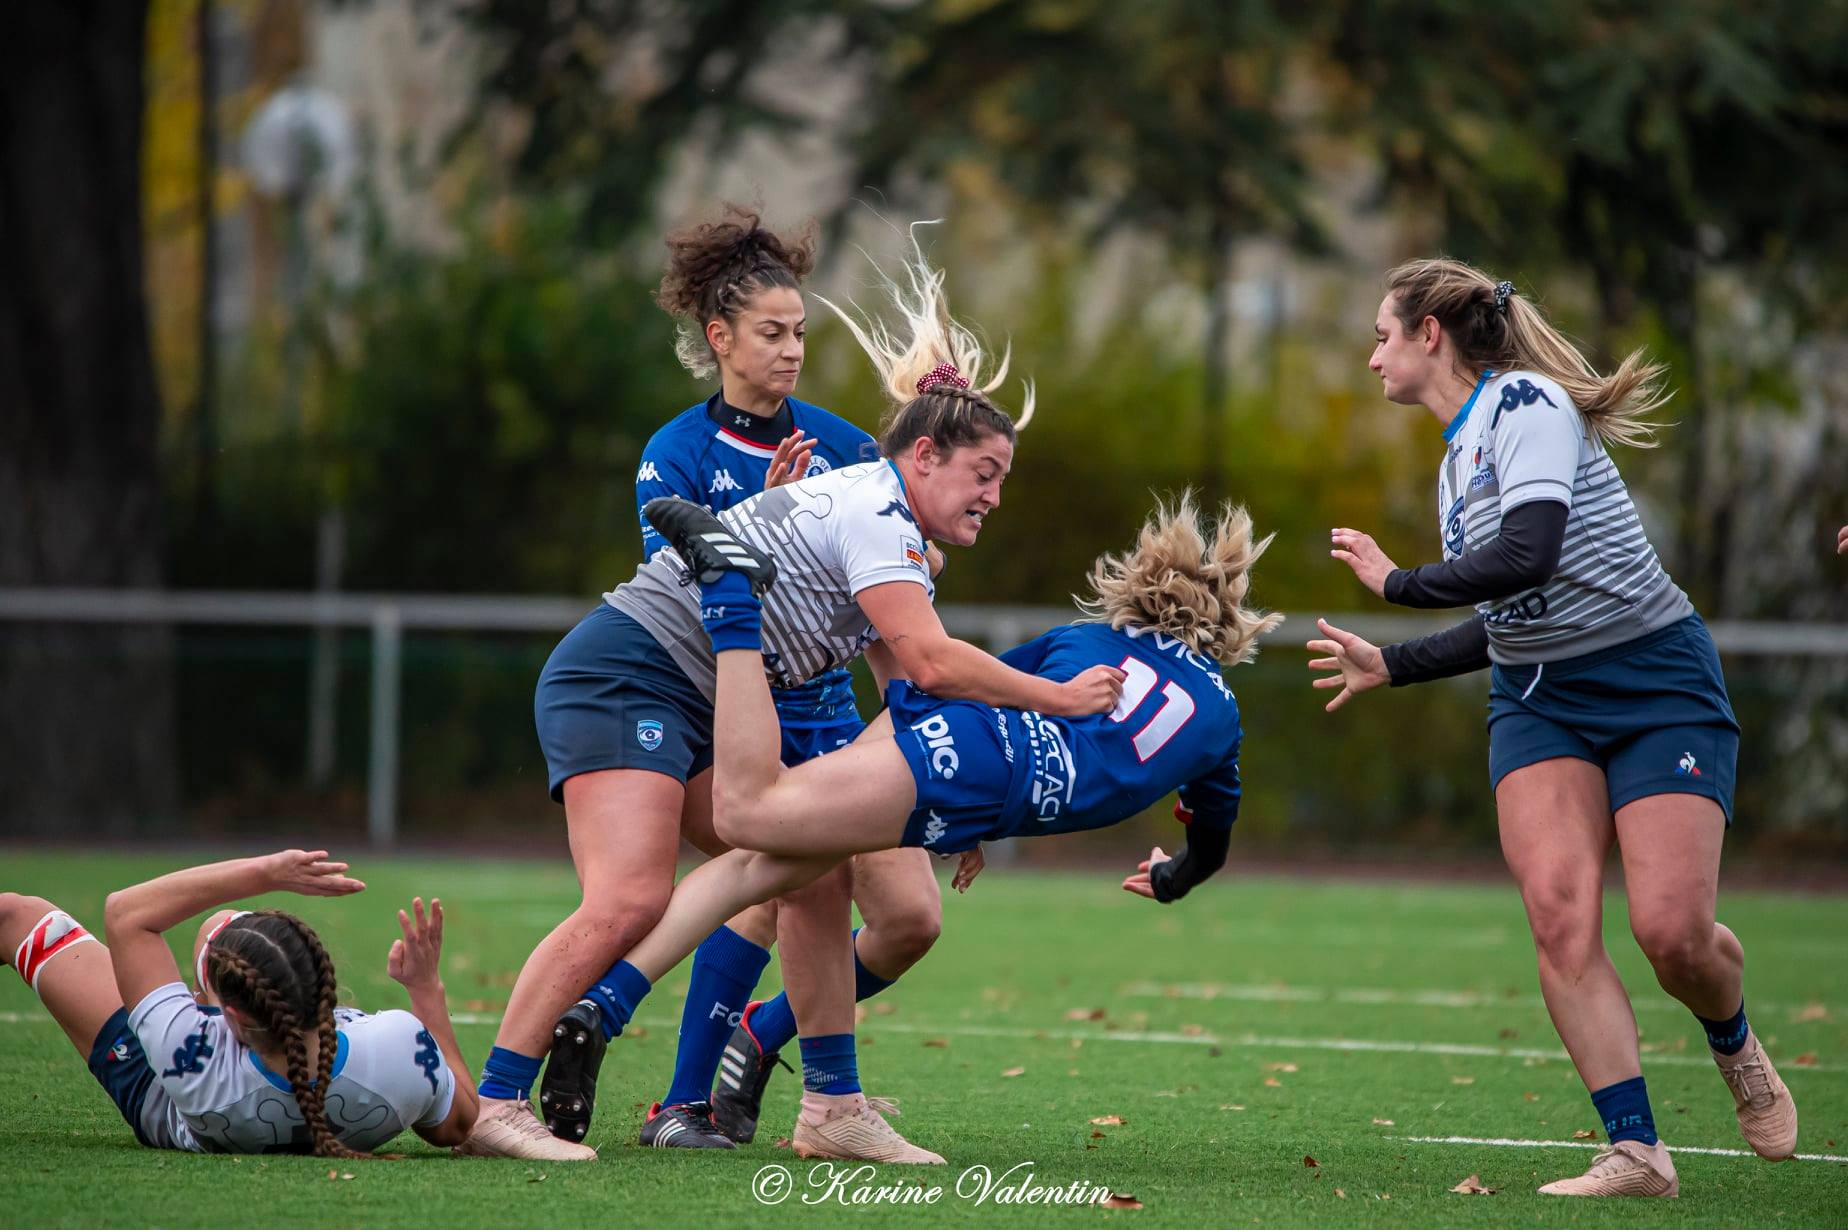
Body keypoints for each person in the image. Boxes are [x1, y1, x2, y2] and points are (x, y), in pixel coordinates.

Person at [463, 230, 1123, 1163]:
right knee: (629, 896)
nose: (993, 502)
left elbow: (909, 682)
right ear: (925, 459)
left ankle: (830, 1107)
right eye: (985, 478)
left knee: (808, 865)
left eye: (799, 331)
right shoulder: (857, 500)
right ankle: (496, 1100)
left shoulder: (867, 486)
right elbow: (930, 662)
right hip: (633, 673)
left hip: (725, 692)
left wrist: (956, 802)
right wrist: (1054, 699)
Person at [1306, 258, 1797, 1198]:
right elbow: (1514, 621)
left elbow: (1526, 556)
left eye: (1381, 335)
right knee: (1559, 915)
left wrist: (1396, 586)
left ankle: (1732, 1039)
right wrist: (1393, 663)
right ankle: (1637, 1150)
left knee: (1672, 933)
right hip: (1539, 698)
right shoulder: (1455, 457)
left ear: (1430, 335)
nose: (1373, 358)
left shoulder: (1526, 404)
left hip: (1655, 681)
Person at [594, 490, 1276, 1163]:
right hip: (915, 752)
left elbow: (970, 697)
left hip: (960, 765)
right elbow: (1207, 842)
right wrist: (1172, 877)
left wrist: (969, 813)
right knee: (766, 848)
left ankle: (757, 1035)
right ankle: (624, 1026)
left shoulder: (1087, 639)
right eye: (982, 476)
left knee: (896, 916)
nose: (987, 494)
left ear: (1143, 588)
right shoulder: (1221, 716)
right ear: (1230, 624)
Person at [535, 206, 949, 1152]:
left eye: (800, 332)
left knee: (911, 919)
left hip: (829, 712)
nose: (792, 350)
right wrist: (765, 522)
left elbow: (902, 591)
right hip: (738, 714)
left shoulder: (846, 447)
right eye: (772, 333)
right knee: (786, 878)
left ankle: (758, 1042)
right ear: (720, 338)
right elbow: (684, 591)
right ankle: (697, 1105)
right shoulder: (675, 453)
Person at [0, 849, 475, 1156]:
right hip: (228, 1090)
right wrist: (425, 987)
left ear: (224, 1018)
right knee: (219, 932)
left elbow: (126, 914)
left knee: (12, 918)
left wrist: (269, 872)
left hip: (162, 1093)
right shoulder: (401, 1050)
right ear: (321, 987)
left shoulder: (186, 1045)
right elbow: (458, 1123)